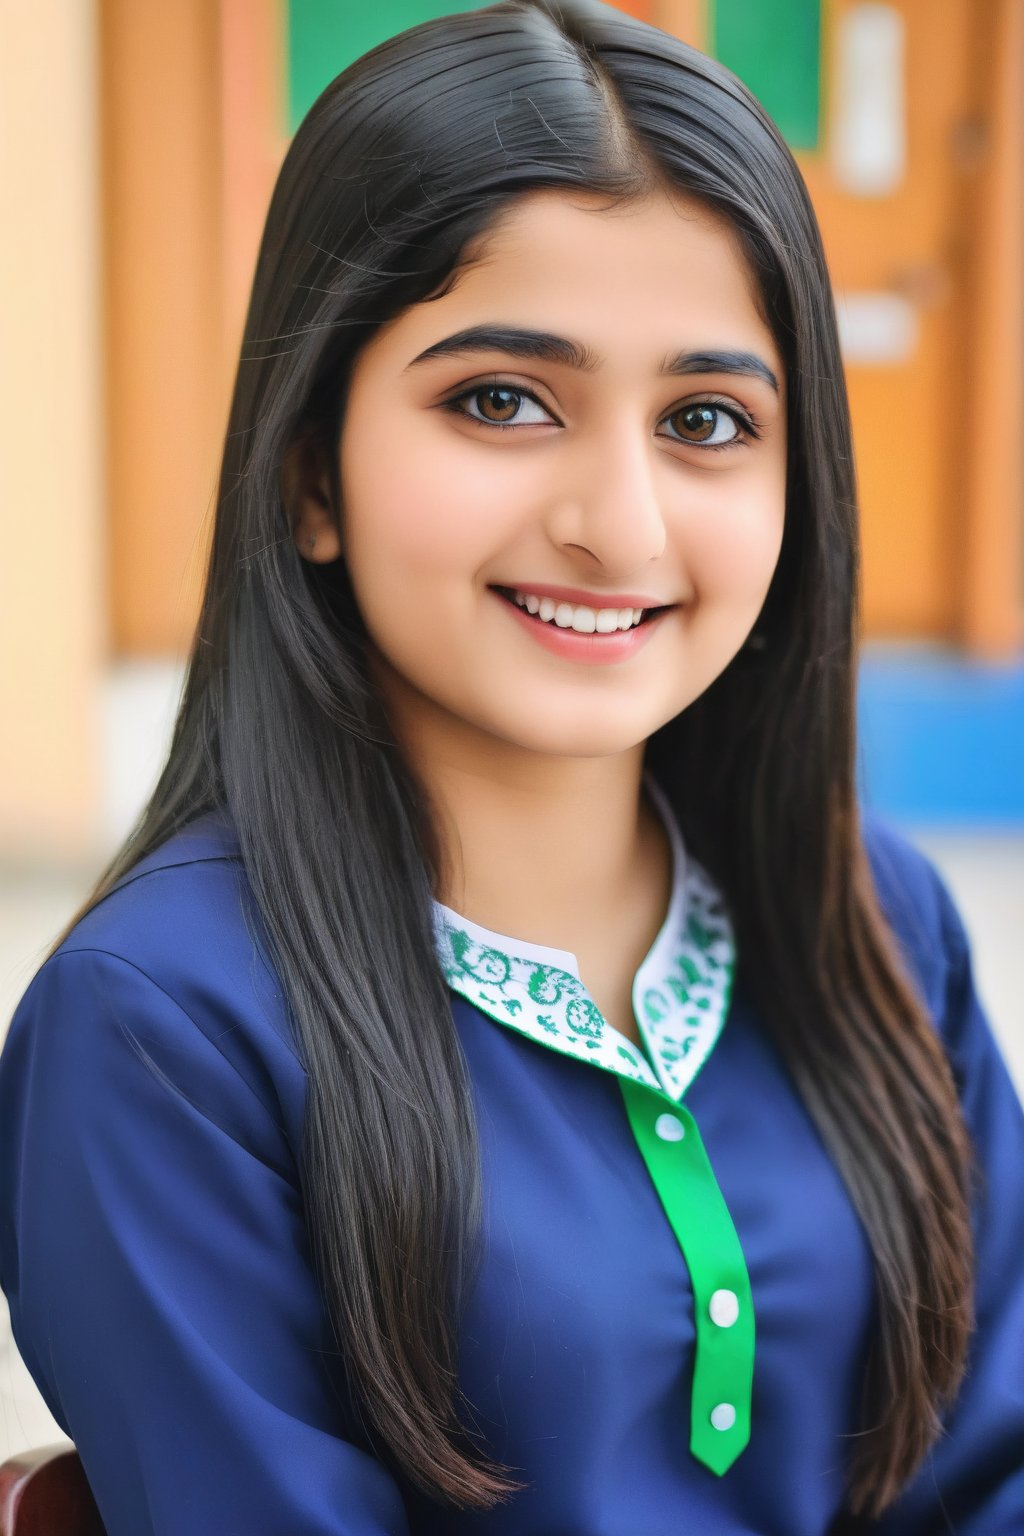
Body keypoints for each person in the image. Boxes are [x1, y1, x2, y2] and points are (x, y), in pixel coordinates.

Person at [1, 1, 1022, 1530]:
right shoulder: (165, 1030)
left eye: (705, 419)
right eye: (502, 400)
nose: (621, 523)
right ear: (308, 475)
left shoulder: (876, 914)